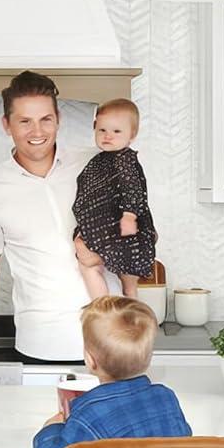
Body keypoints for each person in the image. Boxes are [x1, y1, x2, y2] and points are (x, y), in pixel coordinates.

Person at [0, 69, 104, 367]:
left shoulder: (96, 164)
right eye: (24, 121)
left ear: (58, 120)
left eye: (45, 120)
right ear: (6, 125)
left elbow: (142, 232)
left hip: (111, 343)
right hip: (42, 345)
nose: (37, 132)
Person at [32, 296, 190, 448]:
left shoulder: (87, 415)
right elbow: (185, 444)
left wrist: (50, 430)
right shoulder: (166, 398)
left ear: (90, 360)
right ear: (148, 359)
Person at [72, 98, 156, 300]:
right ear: (94, 128)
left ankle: (116, 301)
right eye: (102, 130)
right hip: (105, 224)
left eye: (117, 131)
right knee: (89, 265)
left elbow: (133, 187)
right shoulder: (98, 161)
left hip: (123, 224)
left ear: (132, 135)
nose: (108, 136)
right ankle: (103, 303)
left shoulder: (124, 158)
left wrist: (129, 215)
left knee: (126, 277)